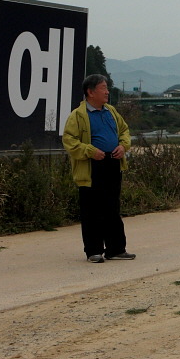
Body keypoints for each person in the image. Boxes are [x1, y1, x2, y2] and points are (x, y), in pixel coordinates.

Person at [62, 74, 136, 263]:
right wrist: (89, 151)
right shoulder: (78, 115)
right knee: (92, 209)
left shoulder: (111, 111)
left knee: (112, 207)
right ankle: (94, 251)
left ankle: (116, 249)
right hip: (91, 166)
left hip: (112, 163)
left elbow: (124, 131)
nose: (107, 92)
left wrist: (123, 146)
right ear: (90, 92)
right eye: (103, 88)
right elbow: (69, 141)